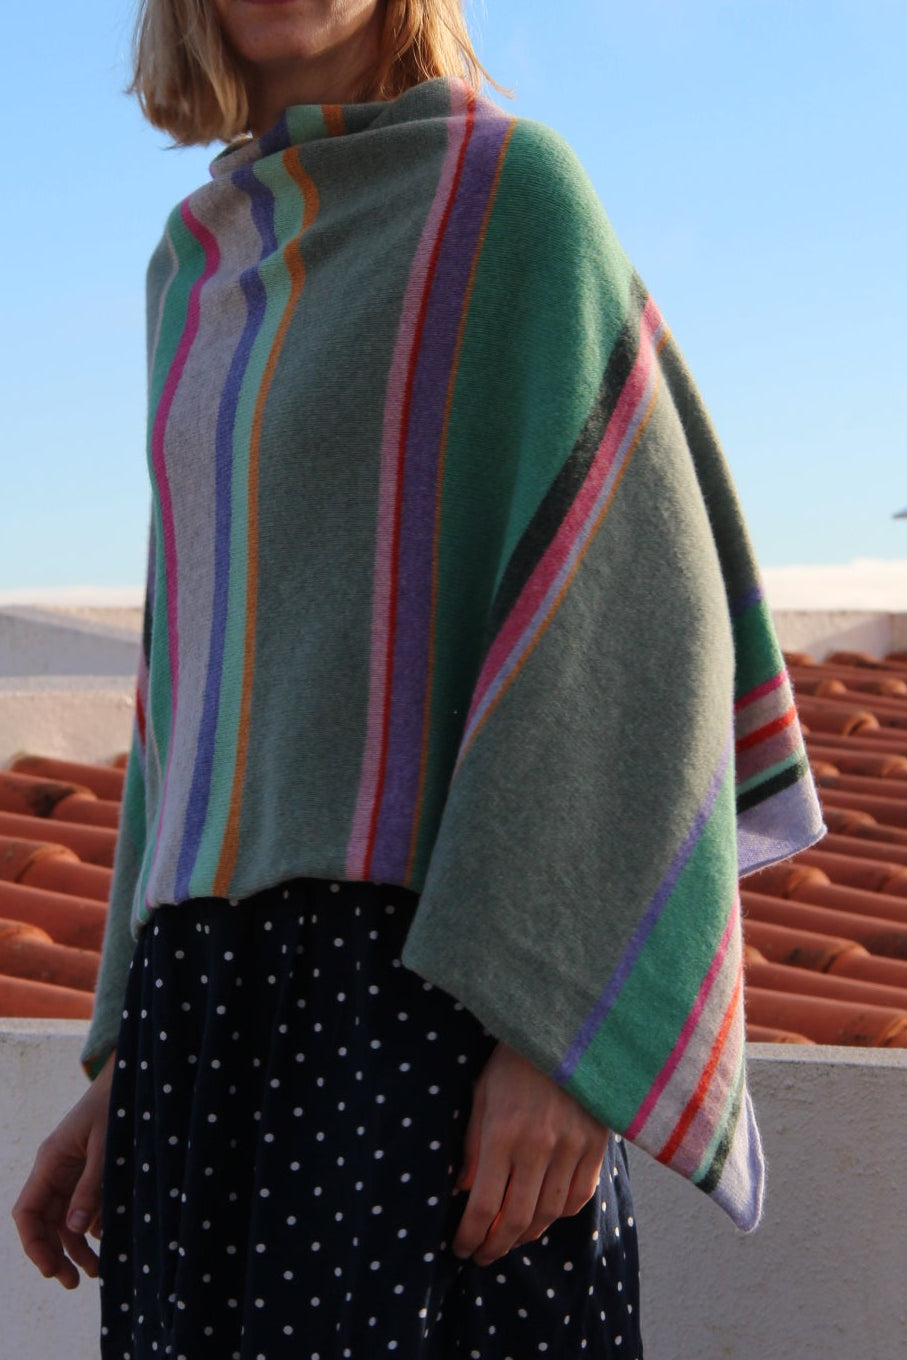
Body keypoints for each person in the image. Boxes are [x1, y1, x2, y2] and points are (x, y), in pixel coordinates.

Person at [12, 1, 824, 1356]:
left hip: (427, 1008)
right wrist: (120, 1058)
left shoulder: (511, 197)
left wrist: (565, 1038)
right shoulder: (191, 264)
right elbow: (194, 682)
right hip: (206, 1025)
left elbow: (636, 618)